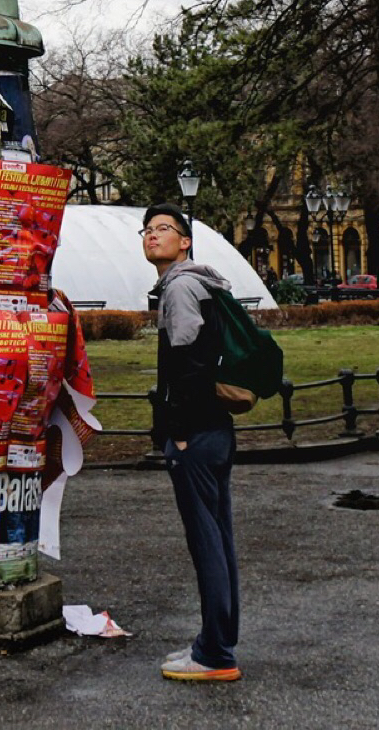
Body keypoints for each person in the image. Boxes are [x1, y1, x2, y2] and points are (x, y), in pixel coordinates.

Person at [142, 202, 242, 681]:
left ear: (185, 242)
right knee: (218, 541)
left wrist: (177, 432)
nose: (152, 235)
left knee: (207, 544)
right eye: (147, 229)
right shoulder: (200, 283)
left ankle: (216, 656)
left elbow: (189, 365)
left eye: (164, 229)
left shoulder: (181, 287)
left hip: (197, 435)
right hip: (215, 429)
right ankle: (216, 643)